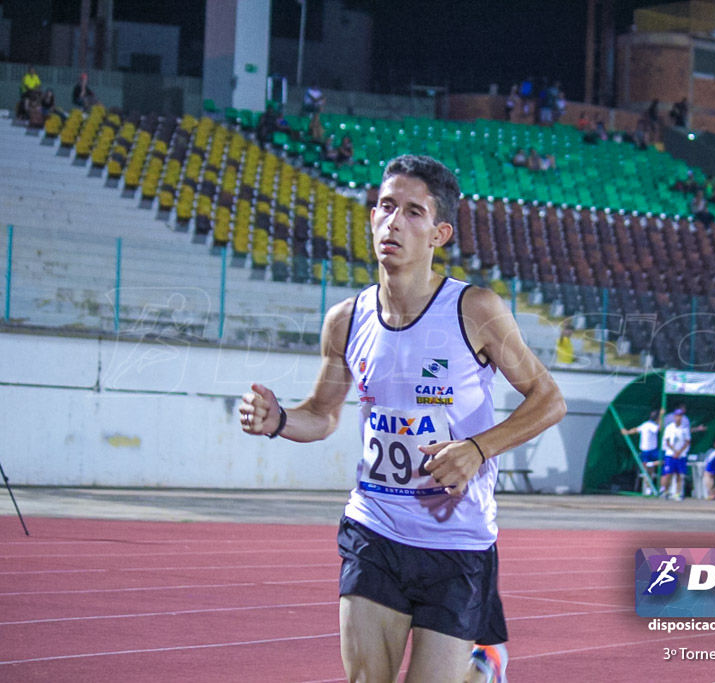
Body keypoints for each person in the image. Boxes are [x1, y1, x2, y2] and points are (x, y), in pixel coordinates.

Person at [239, 154, 565, 682]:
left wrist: (478, 448)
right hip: (376, 529)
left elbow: (549, 399)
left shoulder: (475, 310)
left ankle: (480, 670)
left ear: (439, 234)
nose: (394, 222)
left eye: (413, 212)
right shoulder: (345, 320)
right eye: (386, 207)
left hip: (456, 542)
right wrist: (279, 420)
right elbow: (322, 416)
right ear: (371, 218)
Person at [620, 408, 665, 494]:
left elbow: (636, 429)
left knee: (656, 466)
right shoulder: (649, 425)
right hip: (647, 452)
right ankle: (648, 488)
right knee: (647, 471)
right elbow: (659, 429)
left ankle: (653, 487)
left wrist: (628, 432)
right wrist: (662, 416)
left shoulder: (646, 425)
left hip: (652, 451)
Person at [660, 410, 691, 501]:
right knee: (668, 473)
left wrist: (679, 452)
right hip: (670, 454)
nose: (678, 418)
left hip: (681, 455)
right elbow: (667, 441)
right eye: (677, 416)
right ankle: (665, 491)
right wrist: (674, 451)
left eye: (680, 416)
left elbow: (687, 441)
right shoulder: (669, 428)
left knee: (679, 475)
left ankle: (677, 493)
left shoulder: (684, 429)